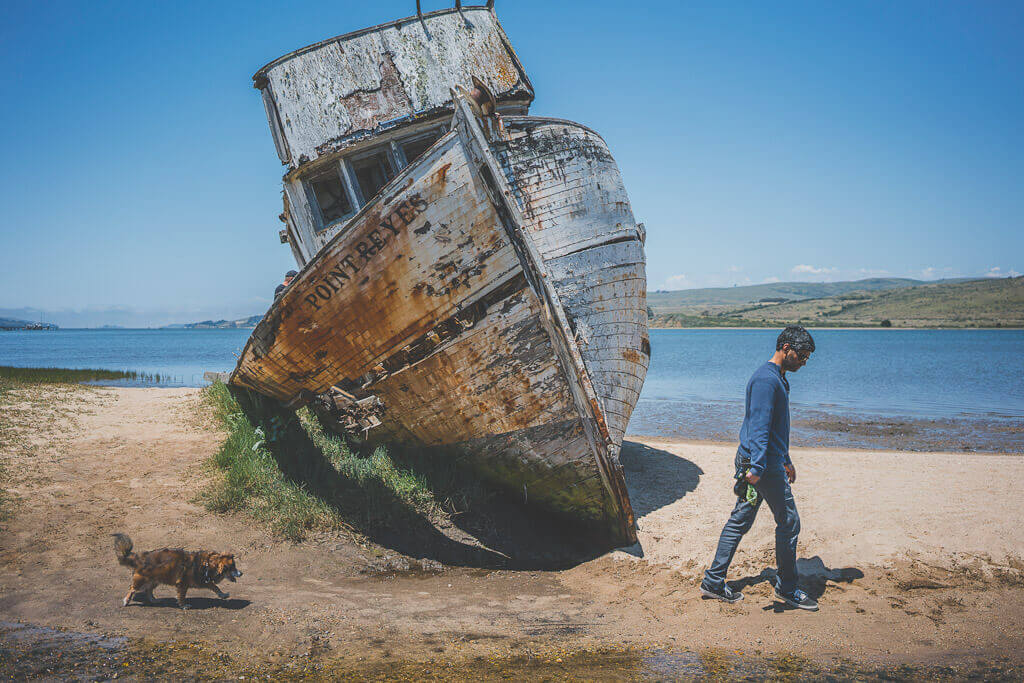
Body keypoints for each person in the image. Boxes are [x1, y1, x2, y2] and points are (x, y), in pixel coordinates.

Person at [700, 325, 818, 611]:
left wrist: (786, 458)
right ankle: (788, 588)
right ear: (786, 348)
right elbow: (760, 428)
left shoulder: (778, 377)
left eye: (807, 357)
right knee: (789, 522)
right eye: (801, 355)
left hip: (760, 463)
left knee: (740, 520)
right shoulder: (767, 381)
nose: (804, 361)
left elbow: (777, 428)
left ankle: (714, 581)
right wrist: (759, 468)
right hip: (761, 467)